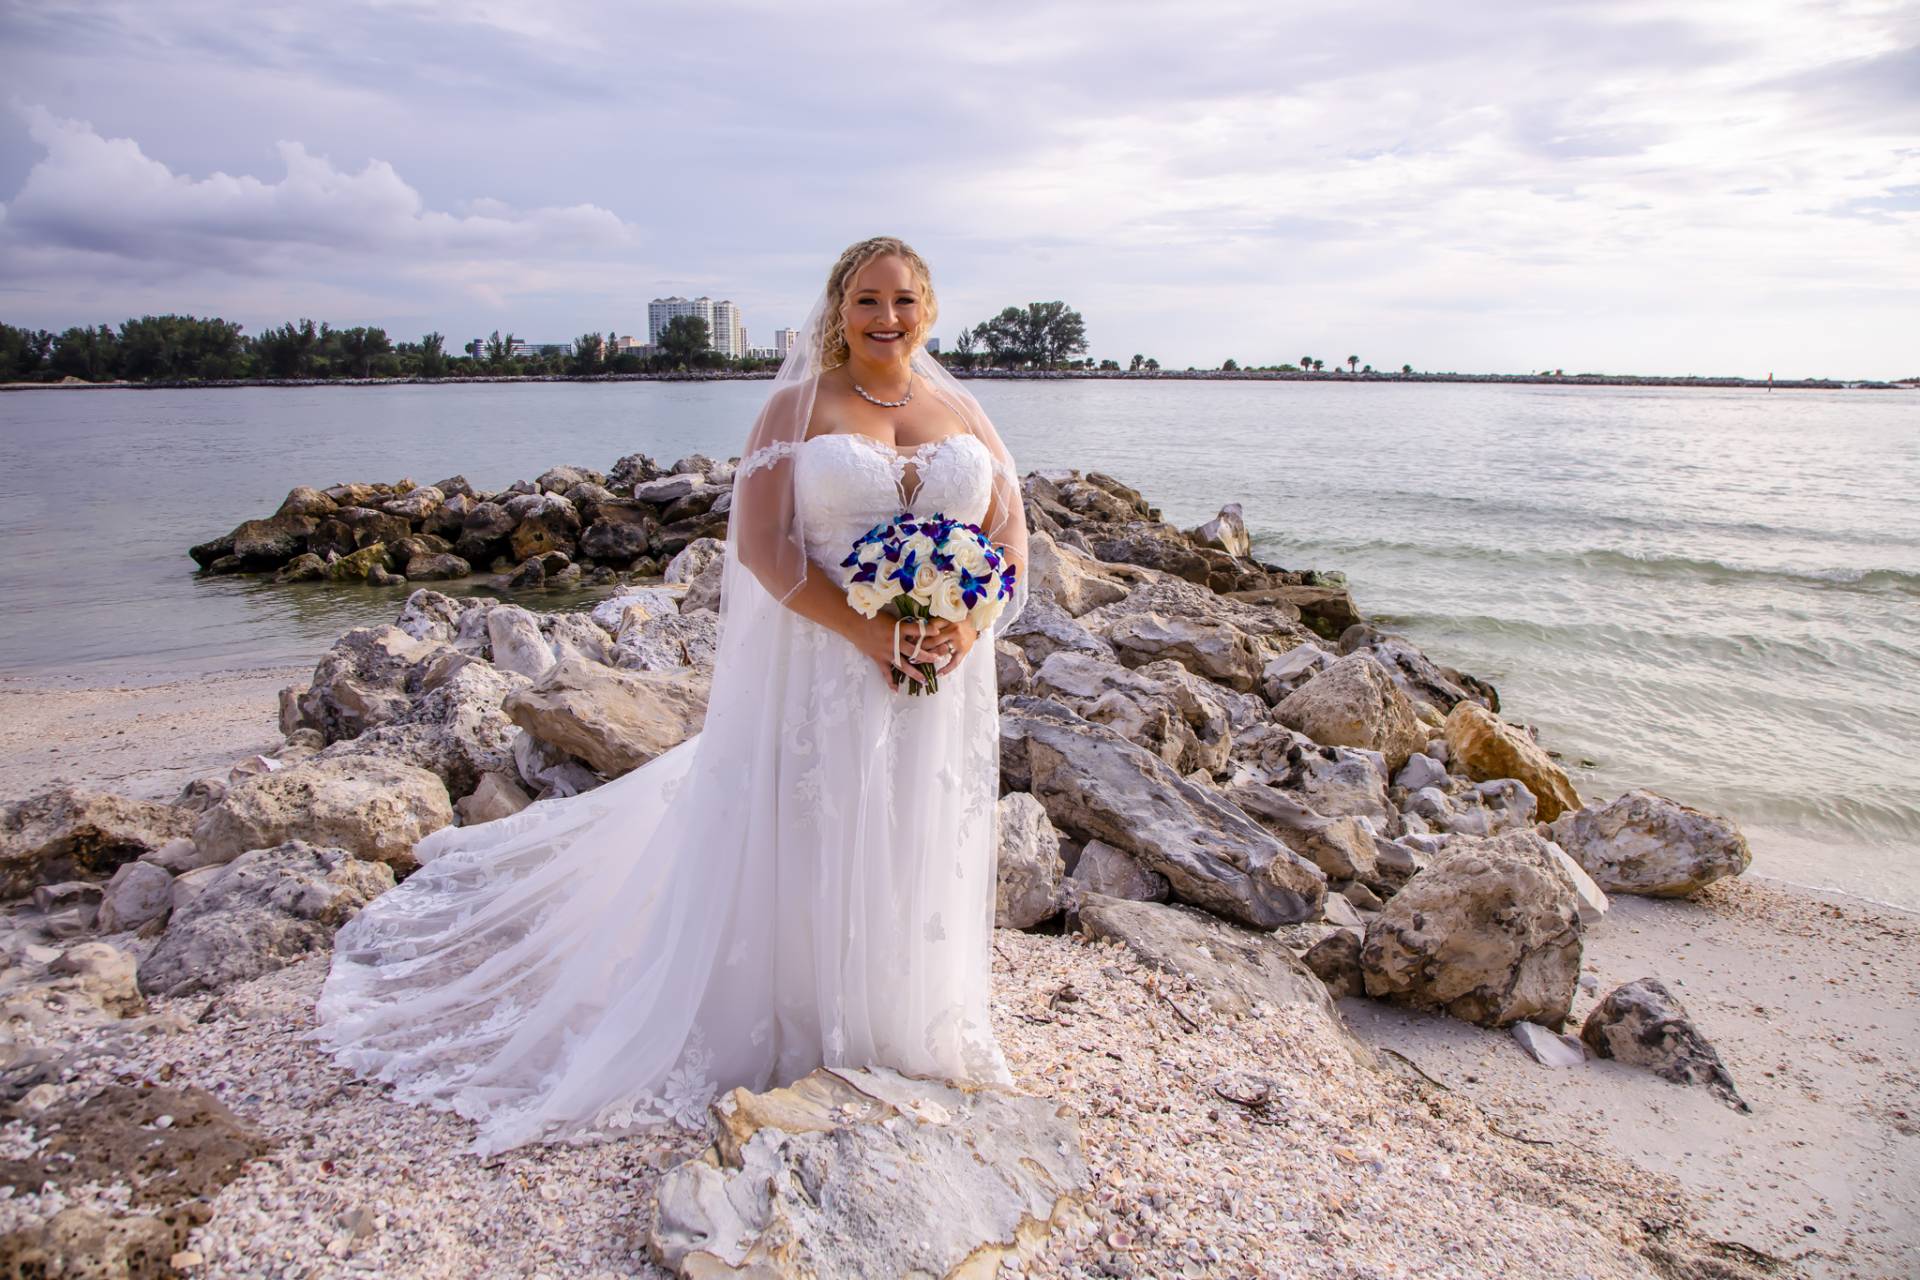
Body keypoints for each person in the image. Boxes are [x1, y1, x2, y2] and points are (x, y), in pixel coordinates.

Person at [307, 236, 1032, 1157]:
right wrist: (867, 631)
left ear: (928, 309)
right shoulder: (794, 407)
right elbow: (766, 549)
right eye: (866, 300)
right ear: (837, 310)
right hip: (827, 667)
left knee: (911, 829)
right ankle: (812, 1023)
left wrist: (962, 628)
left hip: (938, 673)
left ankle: (907, 1021)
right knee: (817, 826)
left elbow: (1007, 542)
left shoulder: (963, 409)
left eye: (903, 300)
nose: (886, 318)